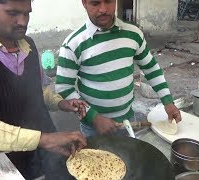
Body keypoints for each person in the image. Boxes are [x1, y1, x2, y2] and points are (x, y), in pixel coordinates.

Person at [0, 0, 88, 179]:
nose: (22, 22)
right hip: (6, 167)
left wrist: (60, 103)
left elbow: (39, 89)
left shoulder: (28, 46)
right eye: (13, 13)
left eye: (26, 13)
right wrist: (41, 139)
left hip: (50, 155)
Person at [55, 0, 182, 137]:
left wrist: (168, 102)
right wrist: (93, 117)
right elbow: (64, 89)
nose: (103, 9)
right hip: (93, 129)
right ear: (84, 3)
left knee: (128, 157)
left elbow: (151, 69)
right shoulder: (73, 44)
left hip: (127, 121)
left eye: (109, 1)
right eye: (95, 3)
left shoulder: (133, 34)